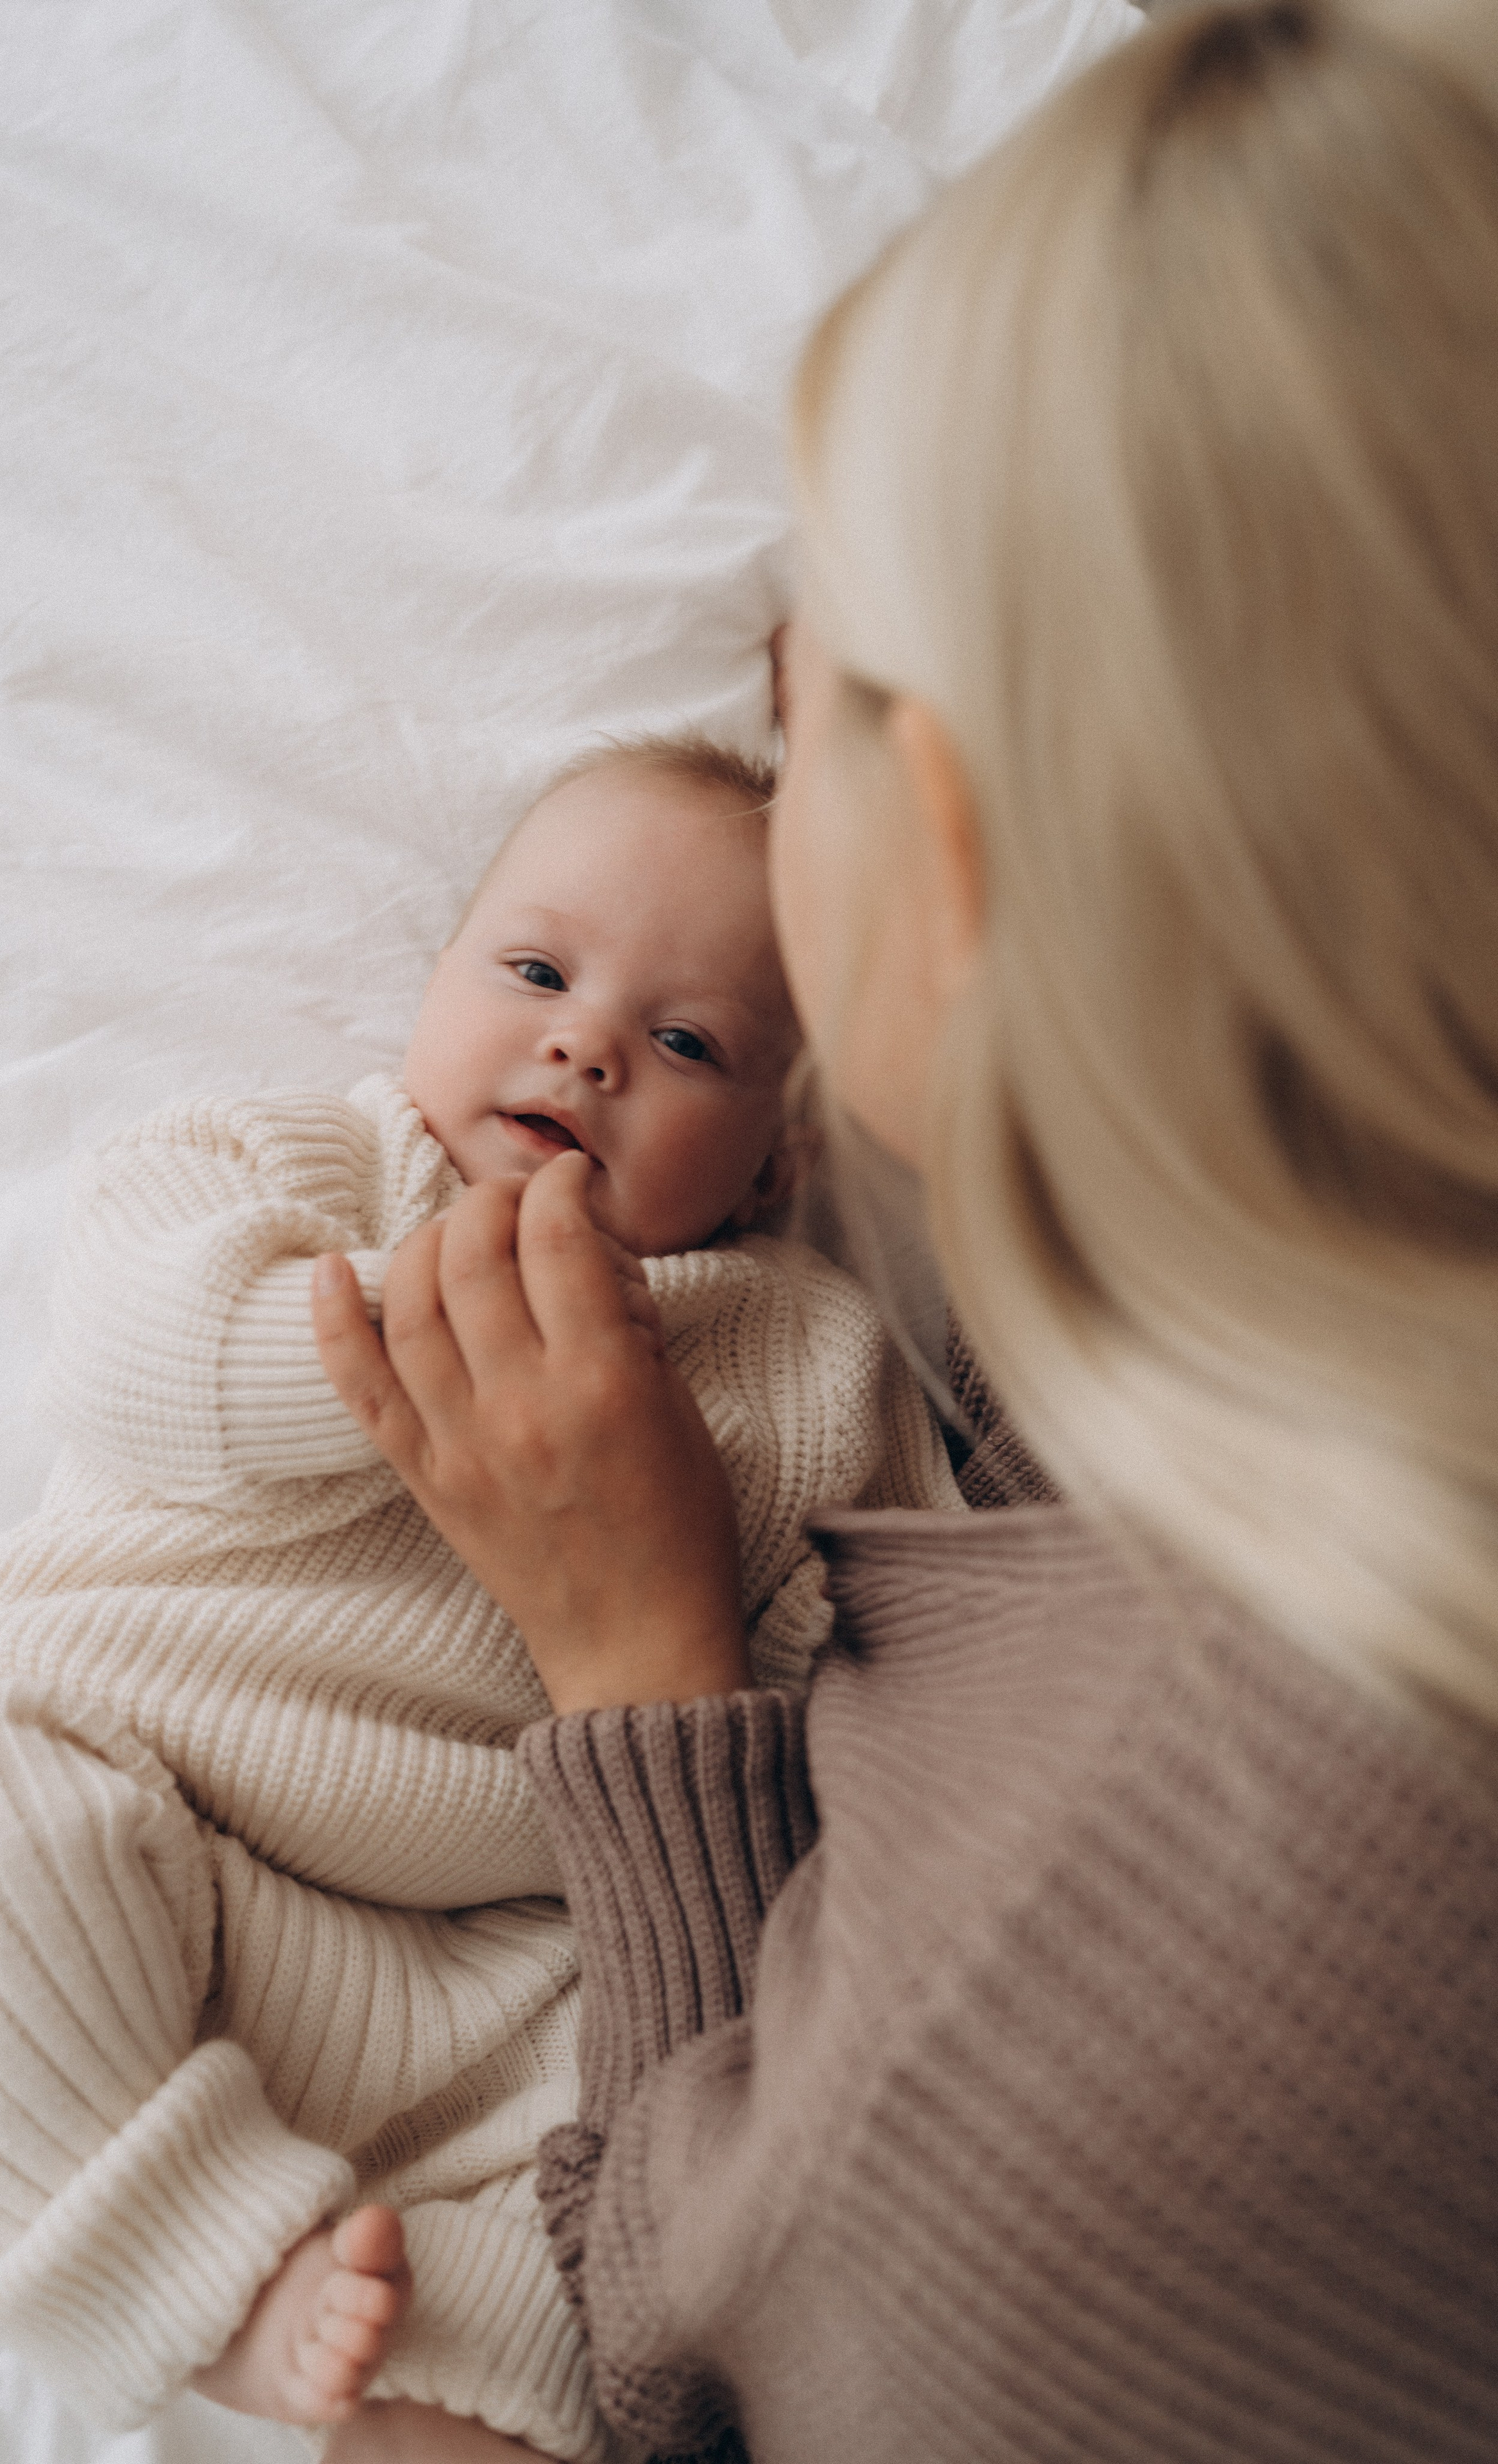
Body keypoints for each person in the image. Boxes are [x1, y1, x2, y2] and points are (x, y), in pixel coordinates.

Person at [307, 3, 1498, 2457]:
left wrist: (636, 1658)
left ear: (940, 847)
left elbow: (679, 2356)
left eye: (811, 695)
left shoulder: (1048, 2009)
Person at [0, 739, 959, 2460]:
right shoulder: (302, 1166)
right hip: (137, 1787)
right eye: (535, 972)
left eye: (687, 1044)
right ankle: (204, 2269)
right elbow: (141, 1359)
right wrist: (424, 1331)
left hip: (504, 1947)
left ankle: (423, 2401)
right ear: (436, 986)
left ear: (769, 1163)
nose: (586, 1046)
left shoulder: (809, 1353)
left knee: (617, 2175)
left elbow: (881, 1681)